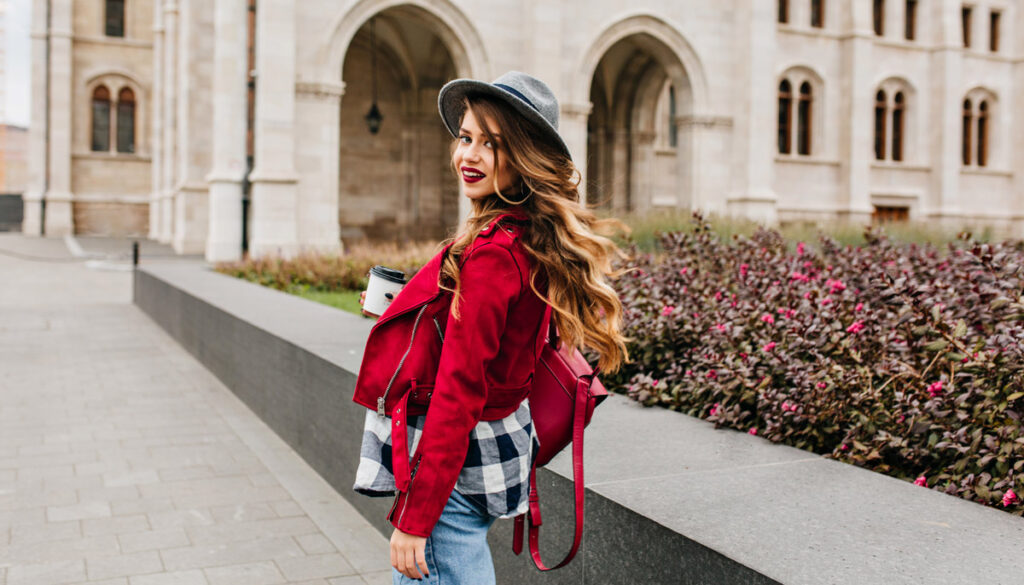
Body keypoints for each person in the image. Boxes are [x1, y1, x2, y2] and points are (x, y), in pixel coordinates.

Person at [351, 71, 629, 585]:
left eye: (492, 145)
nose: (469, 156)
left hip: (449, 472)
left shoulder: (494, 253)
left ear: (523, 159)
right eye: (465, 137)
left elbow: (459, 392)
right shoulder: (520, 235)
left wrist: (415, 519)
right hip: (483, 453)